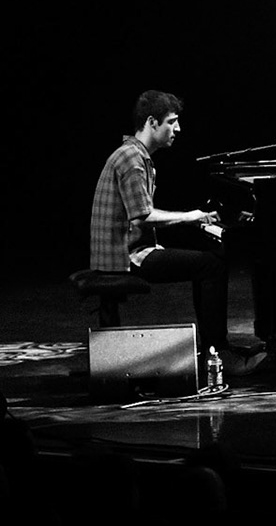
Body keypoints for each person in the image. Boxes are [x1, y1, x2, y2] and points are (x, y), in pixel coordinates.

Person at [89, 90, 264, 377]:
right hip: (126, 258)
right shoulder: (132, 160)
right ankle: (217, 351)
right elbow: (143, 216)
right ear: (151, 122)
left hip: (126, 251)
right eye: (172, 121)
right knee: (212, 265)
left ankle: (211, 347)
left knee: (206, 263)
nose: (178, 129)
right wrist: (192, 217)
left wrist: (193, 220)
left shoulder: (135, 155)